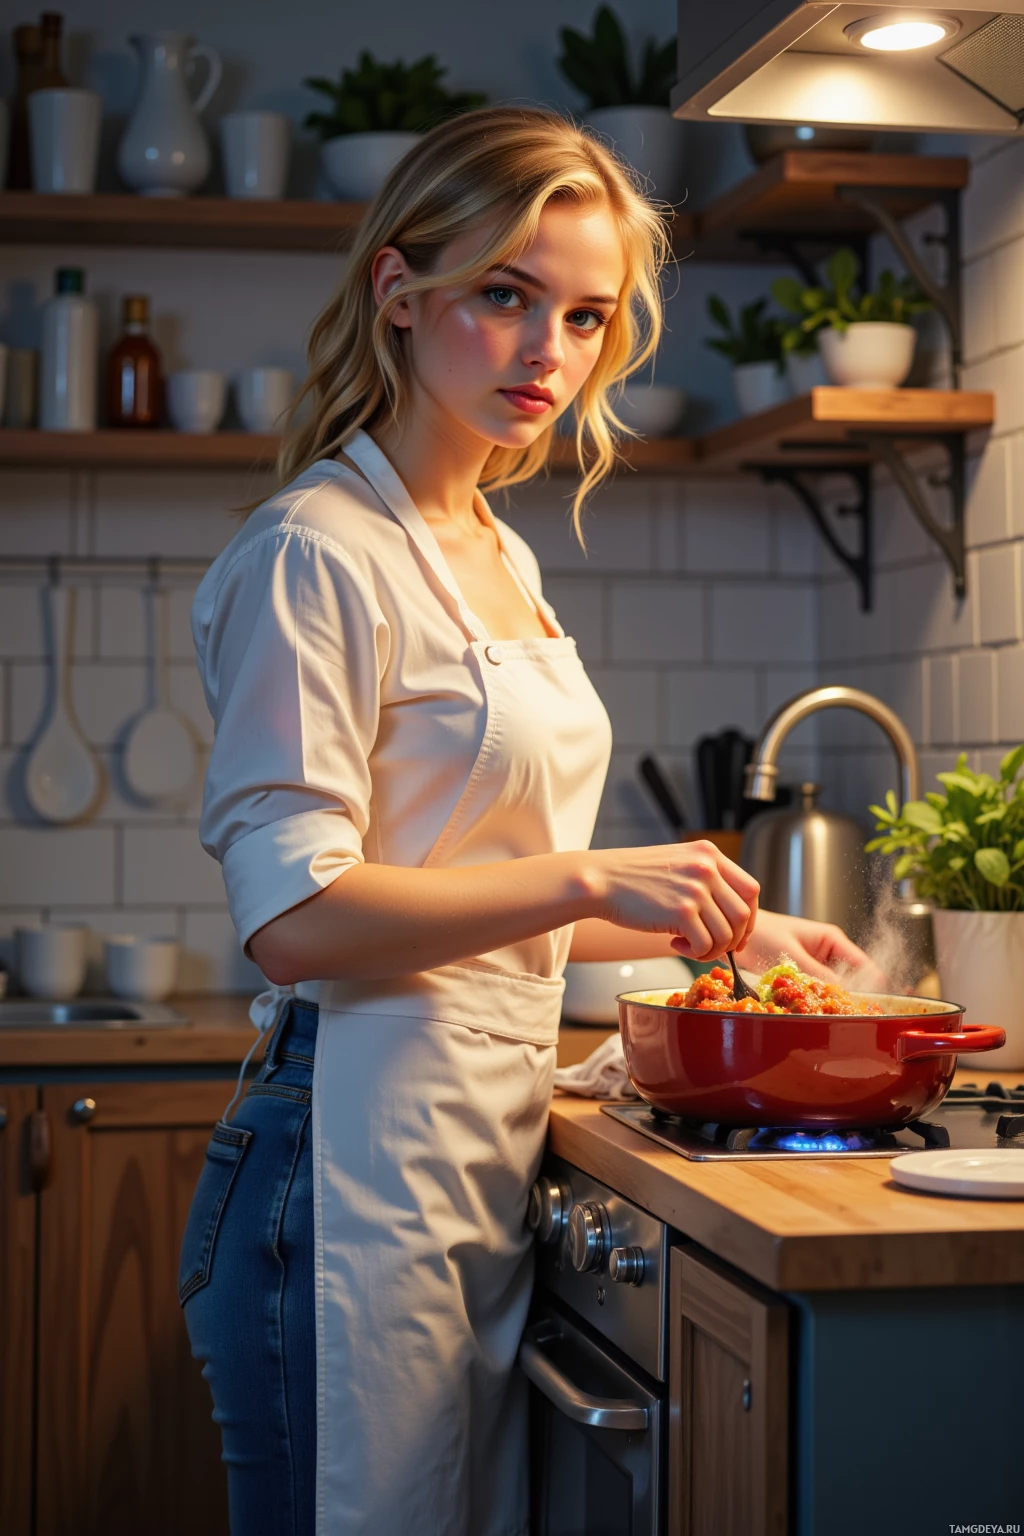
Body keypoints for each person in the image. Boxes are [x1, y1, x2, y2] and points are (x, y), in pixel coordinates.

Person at [178, 106, 881, 1536]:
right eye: (504, 295)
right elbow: (295, 918)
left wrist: (721, 942)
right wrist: (584, 878)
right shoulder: (317, 552)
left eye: (583, 315)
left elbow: (483, 872)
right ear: (400, 292)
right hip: (343, 1171)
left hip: (470, 1163)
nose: (546, 352)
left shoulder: (492, 548)